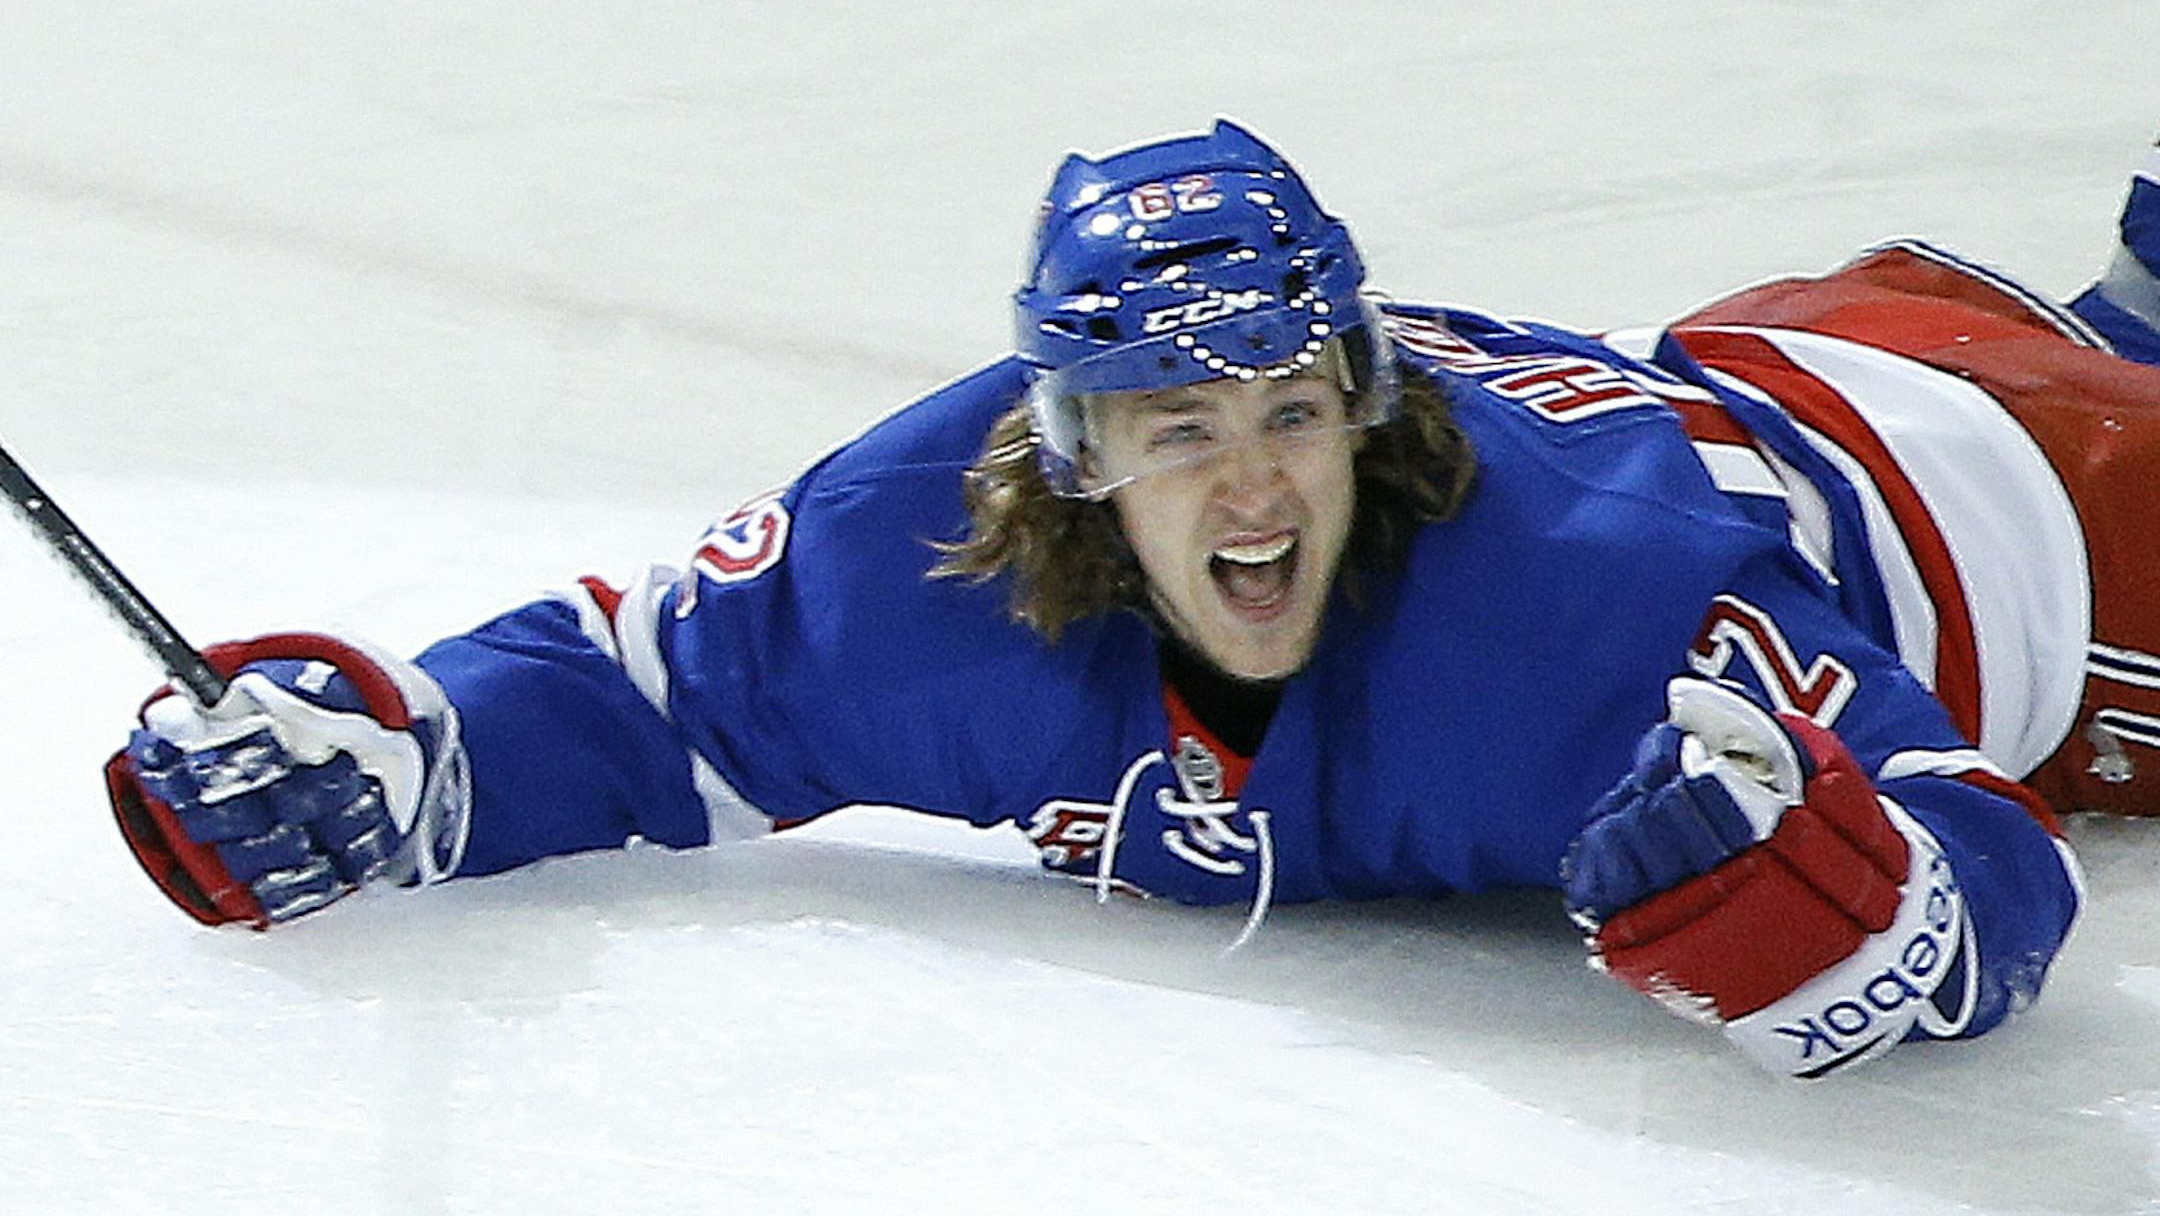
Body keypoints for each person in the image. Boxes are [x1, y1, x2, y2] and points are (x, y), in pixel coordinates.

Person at [105, 122, 2160, 1080]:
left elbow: (1971, 836)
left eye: (1292, 410)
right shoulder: (920, 572)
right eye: (1182, 429)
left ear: (1361, 404)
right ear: (1072, 448)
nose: (1252, 482)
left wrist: (1874, 913)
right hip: (1774, 349)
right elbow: (639, 695)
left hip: (2036, 525)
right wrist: (397, 761)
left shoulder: (1584, 606)